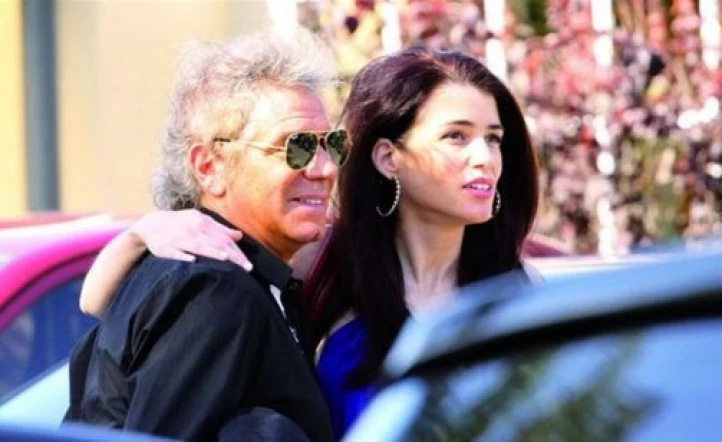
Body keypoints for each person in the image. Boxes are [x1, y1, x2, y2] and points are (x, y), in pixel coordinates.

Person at [79, 46, 539, 440]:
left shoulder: (519, 288)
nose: (484, 158)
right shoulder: (314, 266)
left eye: (494, 139)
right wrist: (140, 236)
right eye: (456, 136)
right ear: (387, 156)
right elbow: (106, 313)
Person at [64, 29, 341, 442]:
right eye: (295, 147)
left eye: (332, 144)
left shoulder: (240, 278)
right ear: (210, 167)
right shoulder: (213, 290)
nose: (325, 168)